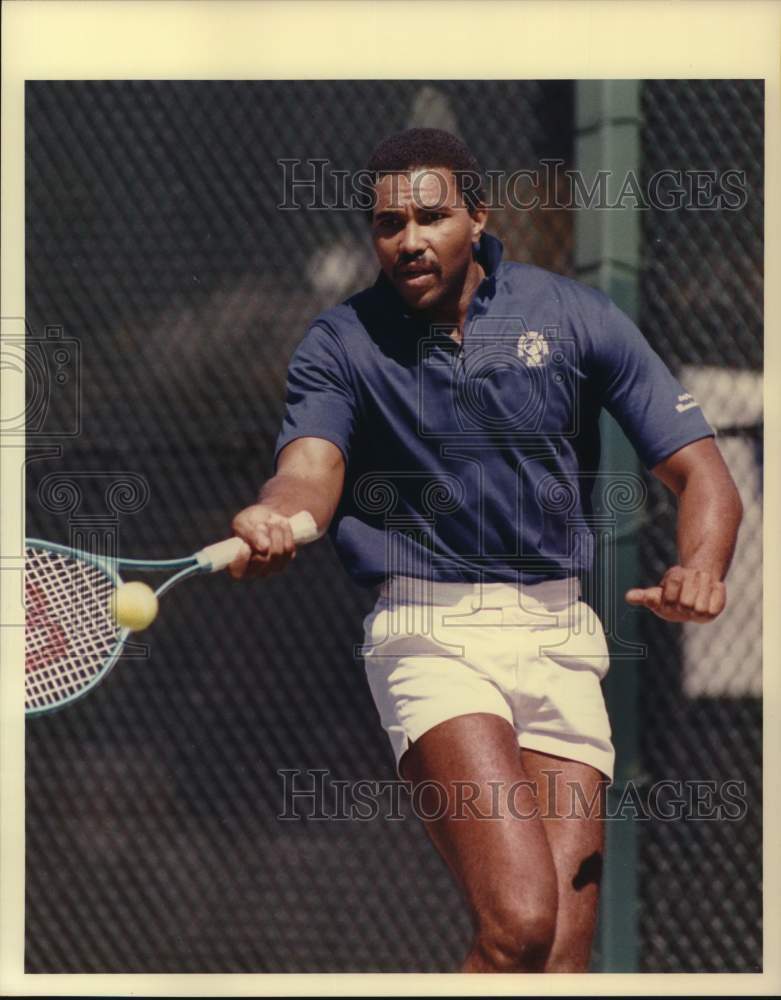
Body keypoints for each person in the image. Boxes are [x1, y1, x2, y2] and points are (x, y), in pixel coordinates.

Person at [228, 129, 743, 973]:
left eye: (430, 217)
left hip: (557, 637)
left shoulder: (573, 316)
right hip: (429, 638)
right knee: (518, 923)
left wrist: (702, 567)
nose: (409, 240)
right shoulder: (341, 342)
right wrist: (274, 514)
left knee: (563, 960)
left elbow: (702, 476)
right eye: (388, 224)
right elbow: (309, 472)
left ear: (477, 216)